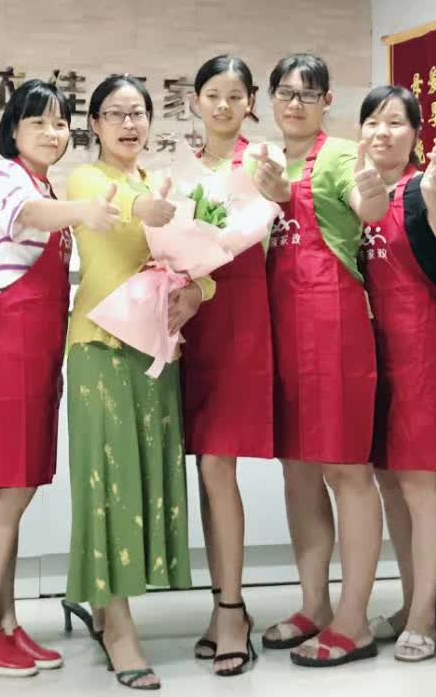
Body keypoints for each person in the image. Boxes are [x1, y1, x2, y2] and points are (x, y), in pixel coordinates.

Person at [0, 80, 119, 676]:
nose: (52, 133)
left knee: (18, 489)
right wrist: (83, 211)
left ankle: (4, 622)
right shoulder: (7, 179)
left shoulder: (42, 183)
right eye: (38, 123)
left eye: (59, 124)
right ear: (13, 131)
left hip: (34, 351)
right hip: (5, 348)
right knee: (8, 491)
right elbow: (28, 216)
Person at [63, 74, 211, 691]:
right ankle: (119, 629)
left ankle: (107, 604)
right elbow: (106, 213)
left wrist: (197, 294)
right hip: (100, 348)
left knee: (145, 476)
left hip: (155, 352)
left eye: (138, 113)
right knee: (109, 480)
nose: (129, 124)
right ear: (95, 124)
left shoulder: (161, 184)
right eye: (115, 114)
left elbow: (200, 260)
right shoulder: (87, 180)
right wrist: (140, 210)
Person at [258, 53, 390, 668]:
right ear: (270, 99)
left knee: (346, 470)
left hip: (335, 325)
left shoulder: (339, 156)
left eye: (307, 94)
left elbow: (369, 208)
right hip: (278, 328)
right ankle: (314, 604)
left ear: (327, 101)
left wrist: (372, 195)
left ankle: (354, 620)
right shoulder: (260, 162)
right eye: (285, 93)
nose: (295, 104)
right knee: (298, 471)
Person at [356, 85, 436, 663]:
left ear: (416, 134)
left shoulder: (424, 193)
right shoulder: (354, 196)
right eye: (372, 121)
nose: (382, 132)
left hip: (422, 354)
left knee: (421, 486)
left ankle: (426, 612)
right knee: (390, 485)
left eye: (396, 122)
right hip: (369, 358)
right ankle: (408, 601)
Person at [181, 56, 273, 677]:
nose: (222, 105)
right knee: (206, 468)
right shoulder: (182, 169)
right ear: (195, 101)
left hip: (239, 317)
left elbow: (254, 229)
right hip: (193, 319)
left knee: (219, 464)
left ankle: (234, 608)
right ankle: (222, 604)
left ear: (249, 103)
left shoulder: (262, 161)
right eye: (212, 94)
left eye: (235, 95)